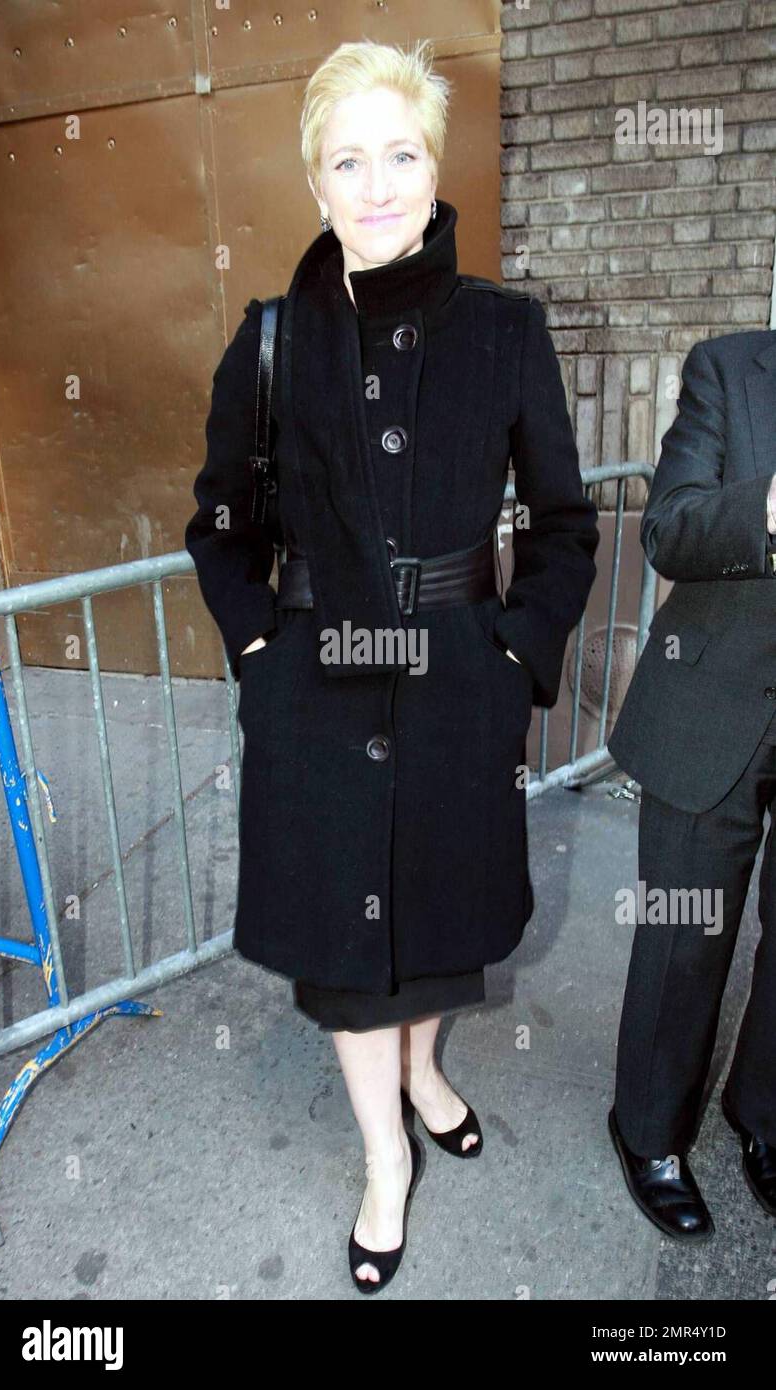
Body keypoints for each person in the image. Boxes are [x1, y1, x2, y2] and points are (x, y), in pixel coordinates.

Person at [185, 37, 599, 1293]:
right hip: (315, 694)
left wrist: (518, 655)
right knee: (349, 958)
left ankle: (427, 1067)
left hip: (459, 684)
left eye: (401, 154)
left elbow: (568, 523)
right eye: (347, 161)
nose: (377, 186)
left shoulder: (508, 333)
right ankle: (385, 1158)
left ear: (436, 167)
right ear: (316, 184)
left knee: (438, 930)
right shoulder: (268, 343)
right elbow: (216, 521)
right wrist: (261, 649)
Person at [607, 326, 776, 1240]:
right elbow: (669, 525)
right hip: (711, 706)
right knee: (685, 939)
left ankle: (764, 1116)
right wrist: (770, 508)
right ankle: (649, 1134)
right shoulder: (729, 368)